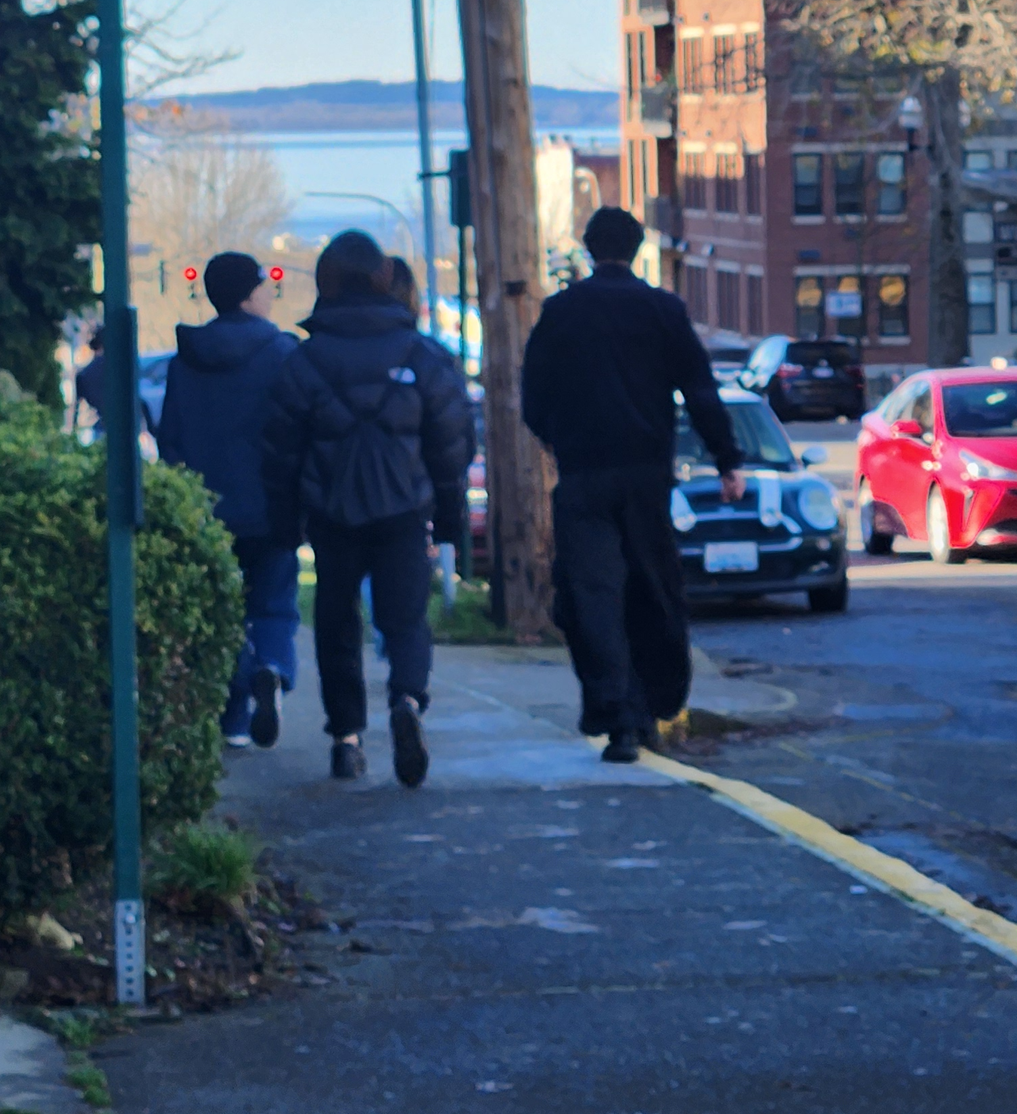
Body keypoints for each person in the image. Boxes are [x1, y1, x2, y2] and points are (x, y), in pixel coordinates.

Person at [521, 205, 746, 764]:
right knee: (652, 590)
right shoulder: (662, 311)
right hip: (646, 475)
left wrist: (558, 440)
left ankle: (615, 713)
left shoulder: (560, 313)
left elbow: (533, 399)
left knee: (591, 596)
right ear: (638, 248)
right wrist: (726, 459)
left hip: (583, 476)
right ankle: (650, 707)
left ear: (589, 250)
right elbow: (700, 391)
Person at [262, 230, 472, 786]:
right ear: (384, 278)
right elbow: (451, 444)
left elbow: (280, 450)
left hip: (332, 512)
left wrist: (287, 524)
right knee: (406, 618)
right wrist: (450, 520)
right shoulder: (421, 354)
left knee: (336, 623)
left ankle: (346, 739)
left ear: (326, 281)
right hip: (404, 508)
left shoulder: (306, 359)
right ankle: (406, 699)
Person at [157, 253, 300, 749]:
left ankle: (234, 717)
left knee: (224, 611)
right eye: (265, 285)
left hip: (206, 509)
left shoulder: (185, 359)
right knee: (275, 602)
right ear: (248, 294)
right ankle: (273, 667)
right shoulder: (282, 352)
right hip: (271, 507)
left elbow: (169, 435)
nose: (270, 294)